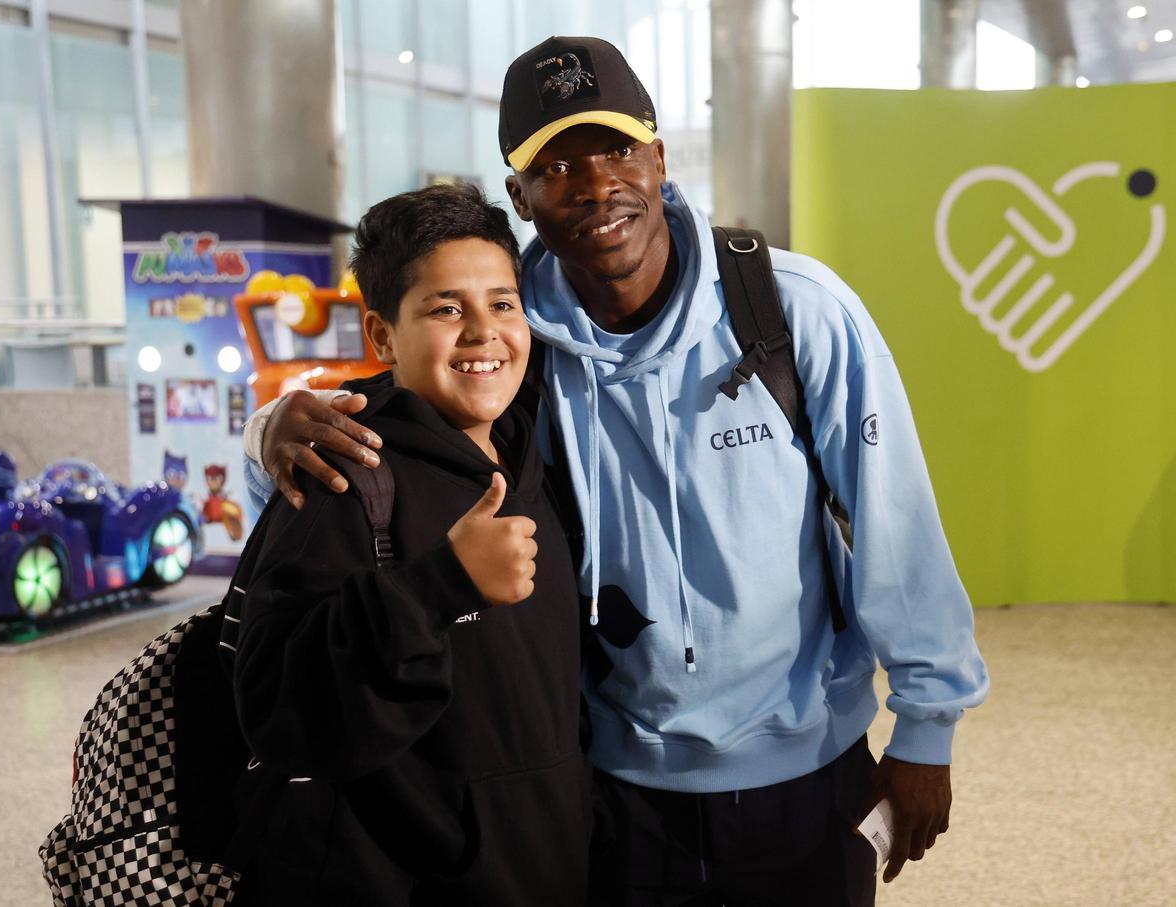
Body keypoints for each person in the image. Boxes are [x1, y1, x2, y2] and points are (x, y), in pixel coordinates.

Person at [243, 36, 989, 906]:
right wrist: (270, 429)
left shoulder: (792, 311)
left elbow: (895, 524)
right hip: (616, 795)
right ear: (521, 198)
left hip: (807, 775)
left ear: (659, 158)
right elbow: (405, 409)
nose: (596, 184)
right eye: (555, 166)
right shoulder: (521, 340)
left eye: (616, 148)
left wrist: (927, 729)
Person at [231, 183, 591, 906]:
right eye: (445, 307)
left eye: (502, 302)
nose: (483, 331)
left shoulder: (535, 457)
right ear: (382, 336)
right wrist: (440, 585)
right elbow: (277, 708)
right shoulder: (343, 472)